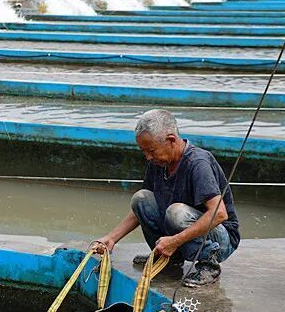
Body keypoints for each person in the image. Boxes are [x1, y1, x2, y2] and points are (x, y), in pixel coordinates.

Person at [95, 109, 240, 288]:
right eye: (144, 151)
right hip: (183, 229)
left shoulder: (198, 163)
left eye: (151, 150)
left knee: (176, 212)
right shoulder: (158, 162)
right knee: (141, 198)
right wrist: (112, 238)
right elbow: (142, 209)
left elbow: (219, 214)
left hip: (221, 239)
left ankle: (209, 265)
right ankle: (169, 257)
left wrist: (174, 241)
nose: (148, 157)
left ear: (171, 140)